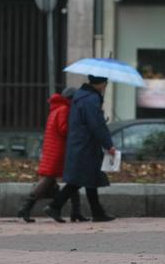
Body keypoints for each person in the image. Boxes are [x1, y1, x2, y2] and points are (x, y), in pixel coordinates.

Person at [44, 75, 116, 222]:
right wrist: (108, 145)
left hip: (80, 143)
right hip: (86, 145)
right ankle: (55, 206)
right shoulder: (91, 99)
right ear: (102, 84)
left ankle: (97, 212)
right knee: (79, 180)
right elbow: (95, 125)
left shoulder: (80, 95)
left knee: (90, 178)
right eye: (106, 83)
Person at [17, 87, 89, 223]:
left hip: (54, 149)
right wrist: (79, 127)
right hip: (58, 150)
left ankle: (76, 212)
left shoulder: (57, 108)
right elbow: (64, 129)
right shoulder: (64, 109)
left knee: (71, 179)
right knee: (50, 179)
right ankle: (25, 208)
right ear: (71, 99)